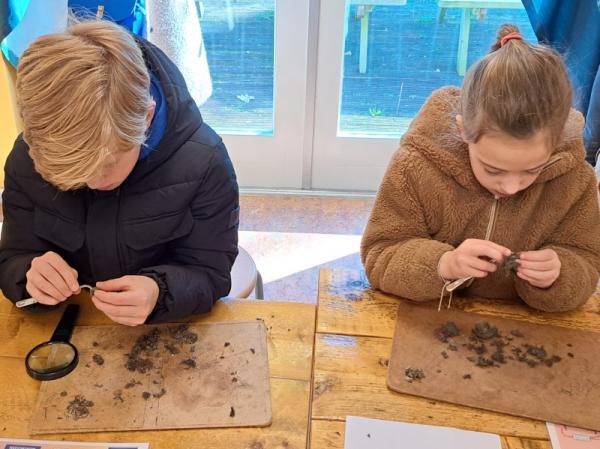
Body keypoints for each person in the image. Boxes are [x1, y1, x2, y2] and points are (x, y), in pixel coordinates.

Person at [0, 20, 239, 325]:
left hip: (162, 333)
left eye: (106, 165)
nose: (93, 182)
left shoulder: (205, 162)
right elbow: (12, 256)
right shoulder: (29, 157)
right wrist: (28, 274)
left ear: (147, 117)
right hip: (69, 328)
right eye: (73, 177)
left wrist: (159, 291)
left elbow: (210, 274)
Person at [361, 25, 600, 313]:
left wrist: (560, 274)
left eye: (532, 170)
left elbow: (587, 261)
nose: (511, 187)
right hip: (426, 326)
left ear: (557, 140)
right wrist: (443, 264)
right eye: (494, 170)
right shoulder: (416, 166)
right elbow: (380, 253)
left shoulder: (574, 181)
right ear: (464, 131)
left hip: (528, 337)